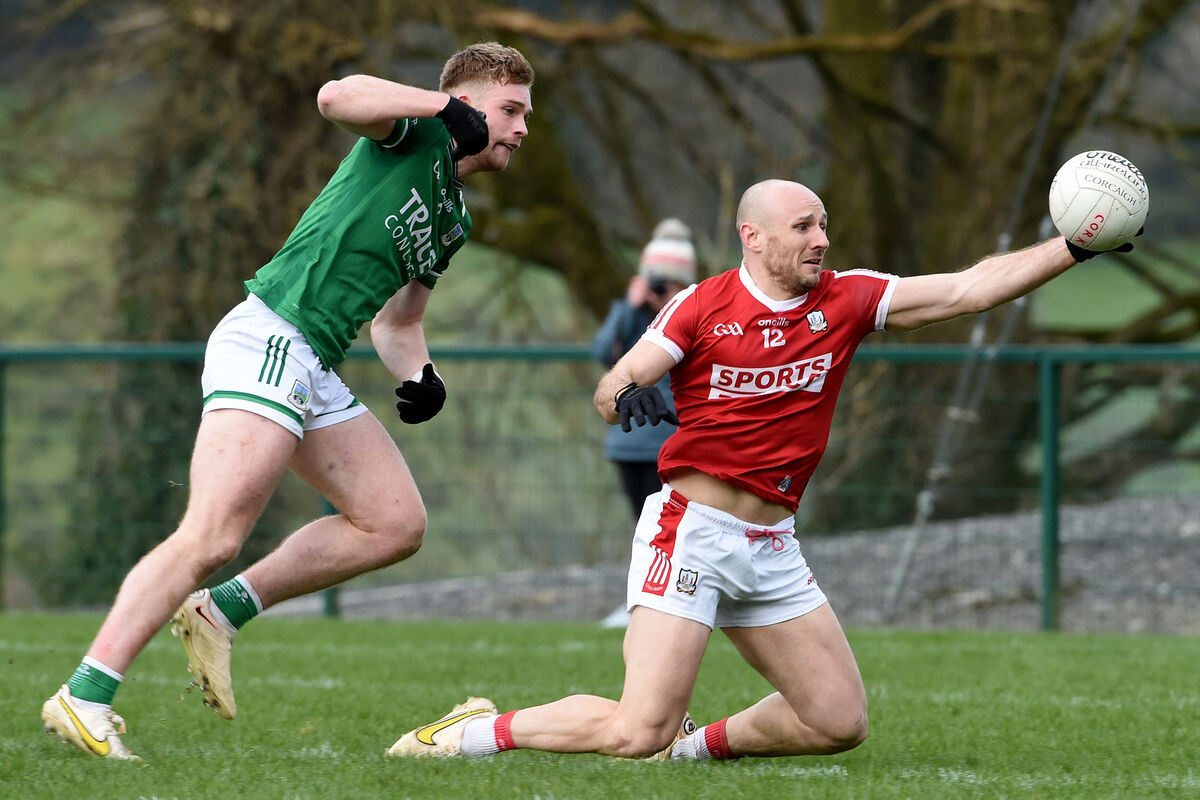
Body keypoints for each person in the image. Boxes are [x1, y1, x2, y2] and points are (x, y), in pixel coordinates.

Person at [385, 178, 1140, 761]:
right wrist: (631, 389)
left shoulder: (846, 300)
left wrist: (1074, 248)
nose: (821, 239)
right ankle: (468, 733)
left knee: (837, 722)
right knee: (634, 727)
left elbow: (969, 288)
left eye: (823, 224)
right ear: (752, 236)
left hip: (773, 548)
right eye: (803, 227)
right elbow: (613, 384)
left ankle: (694, 749)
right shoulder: (700, 306)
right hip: (692, 533)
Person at [40, 42, 534, 760]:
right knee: (211, 535)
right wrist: (438, 106)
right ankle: (84, 694)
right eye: (510, 111)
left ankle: (221, 611)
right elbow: (336, 97)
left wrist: (421, 374)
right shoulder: (417, 131)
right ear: (466, 101)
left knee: (395, 522)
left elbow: (398, 321)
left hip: (314, 362)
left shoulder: (454, 215)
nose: (522, 130)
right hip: (272, 334)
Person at [592, 219, 696, 627]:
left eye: (670, 283)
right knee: (643, 528)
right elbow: (604, 354)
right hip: (628, 445)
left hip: (670, 445)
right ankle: (643, 602)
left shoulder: (690, 316)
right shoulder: (632, 317)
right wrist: (629, 307)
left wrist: (670, 306)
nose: (659, 289)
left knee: (674, 533)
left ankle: (670, 606)